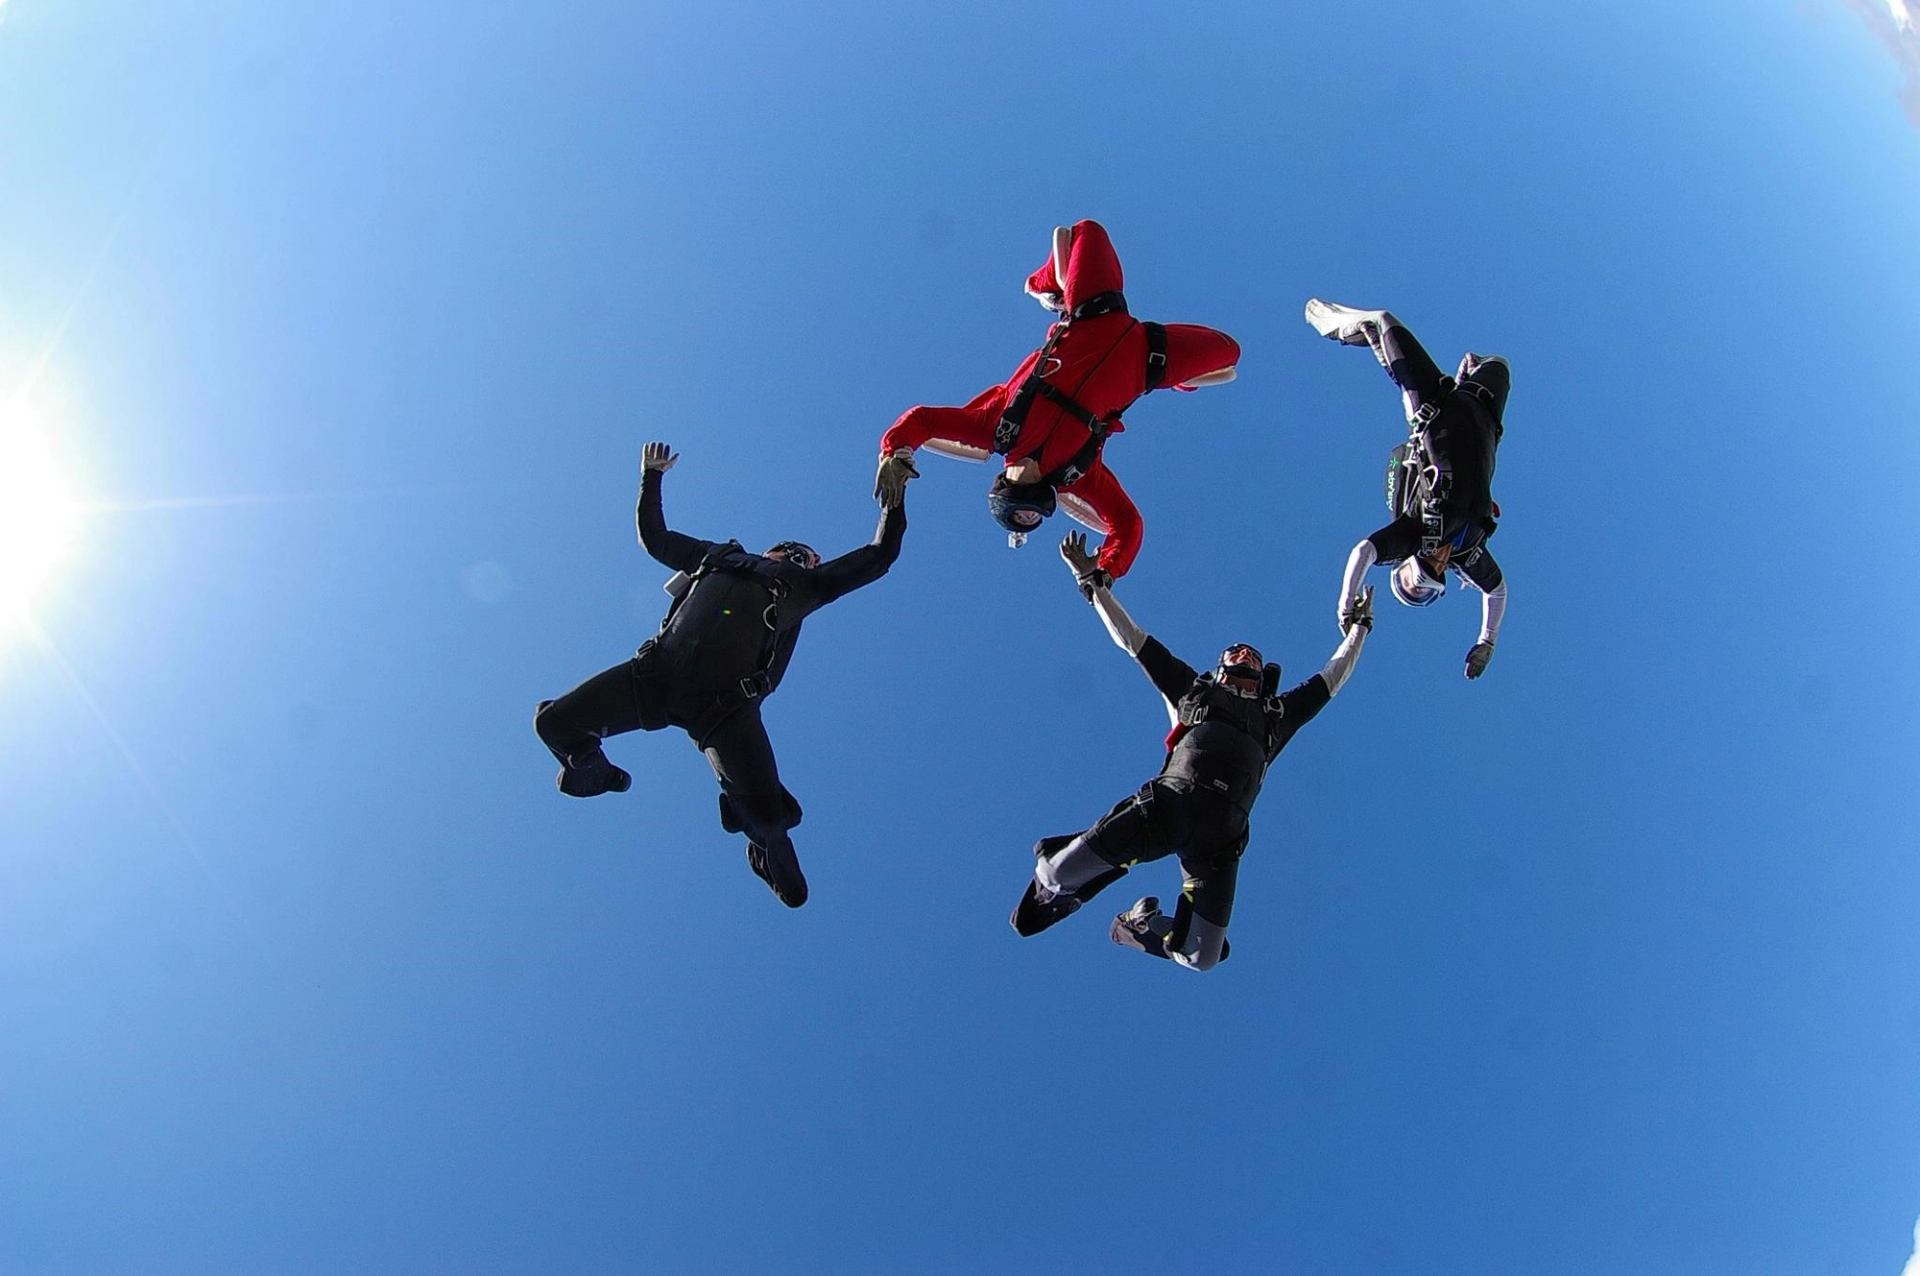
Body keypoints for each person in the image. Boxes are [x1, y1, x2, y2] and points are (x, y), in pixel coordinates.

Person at [534, 441, 906, 908]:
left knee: (771, 819)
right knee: (552, 724)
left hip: (724, 709)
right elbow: (655, 537)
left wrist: (895, 500)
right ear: (769, 547)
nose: (797, 555)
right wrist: (652, 476)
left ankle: (766, 850)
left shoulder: (809, 587)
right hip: (656, 675)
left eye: (806, 556)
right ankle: (593, 772)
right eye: (790, 548)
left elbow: (879, 556)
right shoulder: (716, 556)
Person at [1009, 532, 1372, 970]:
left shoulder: (1277, 714)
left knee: (1202, 956)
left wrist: (1359, 629)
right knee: (1054, 874)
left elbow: (1332, 678)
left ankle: (1137, 928)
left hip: (1219, 843)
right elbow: (1134, 640)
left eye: (1251, 657)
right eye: (1235, 655)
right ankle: (1063, 867)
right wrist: (1092, 581)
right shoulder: (1193, 694)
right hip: (1169, 806)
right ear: (1219, 670)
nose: (1244, 658)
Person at [871, 219, 1240, 579]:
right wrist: (1103, 573)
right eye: (1036, 520)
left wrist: (894, 452)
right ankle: (1179, 380)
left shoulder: (995, 430)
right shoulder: (1077, 476)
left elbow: (923, 420)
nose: (1034, 517)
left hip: (1092, 314)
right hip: (1149, 360)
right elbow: (1127, 525)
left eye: (1026, 516)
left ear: (1006, 494)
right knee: (1229, 353)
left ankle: (1046, 287)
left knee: (1086, 231)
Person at [1305, 298, 1510, 679]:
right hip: (1480, 407)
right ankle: (1470, 373)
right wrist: (1486, 642)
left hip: (1432, 403)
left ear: (1414, 560)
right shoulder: (1469, 552)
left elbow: (1364, 550)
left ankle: (1341, 327)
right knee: (1500, 365)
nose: (1439, 562)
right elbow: (1496, 592)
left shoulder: (1413, 532)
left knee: (1382, 321)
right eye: (1440, 572)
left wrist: (1346, 605)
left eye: (1427, 567)